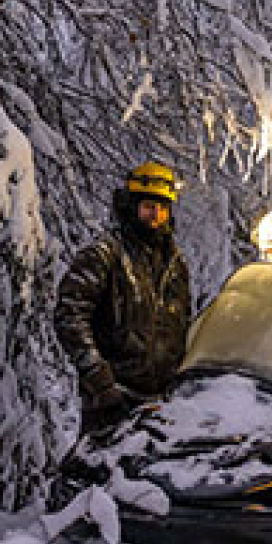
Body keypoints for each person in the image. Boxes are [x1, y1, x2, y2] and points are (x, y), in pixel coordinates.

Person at [54, 161, 192, 433]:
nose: (156, 215)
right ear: (132, 206)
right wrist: (98, 378)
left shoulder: (175, 262)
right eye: (149, 206)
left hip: (164, 401)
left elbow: (184, 321)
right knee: (104, 473)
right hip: (113, 399)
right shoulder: (103, 255)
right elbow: (69, 316)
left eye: (162, 208)